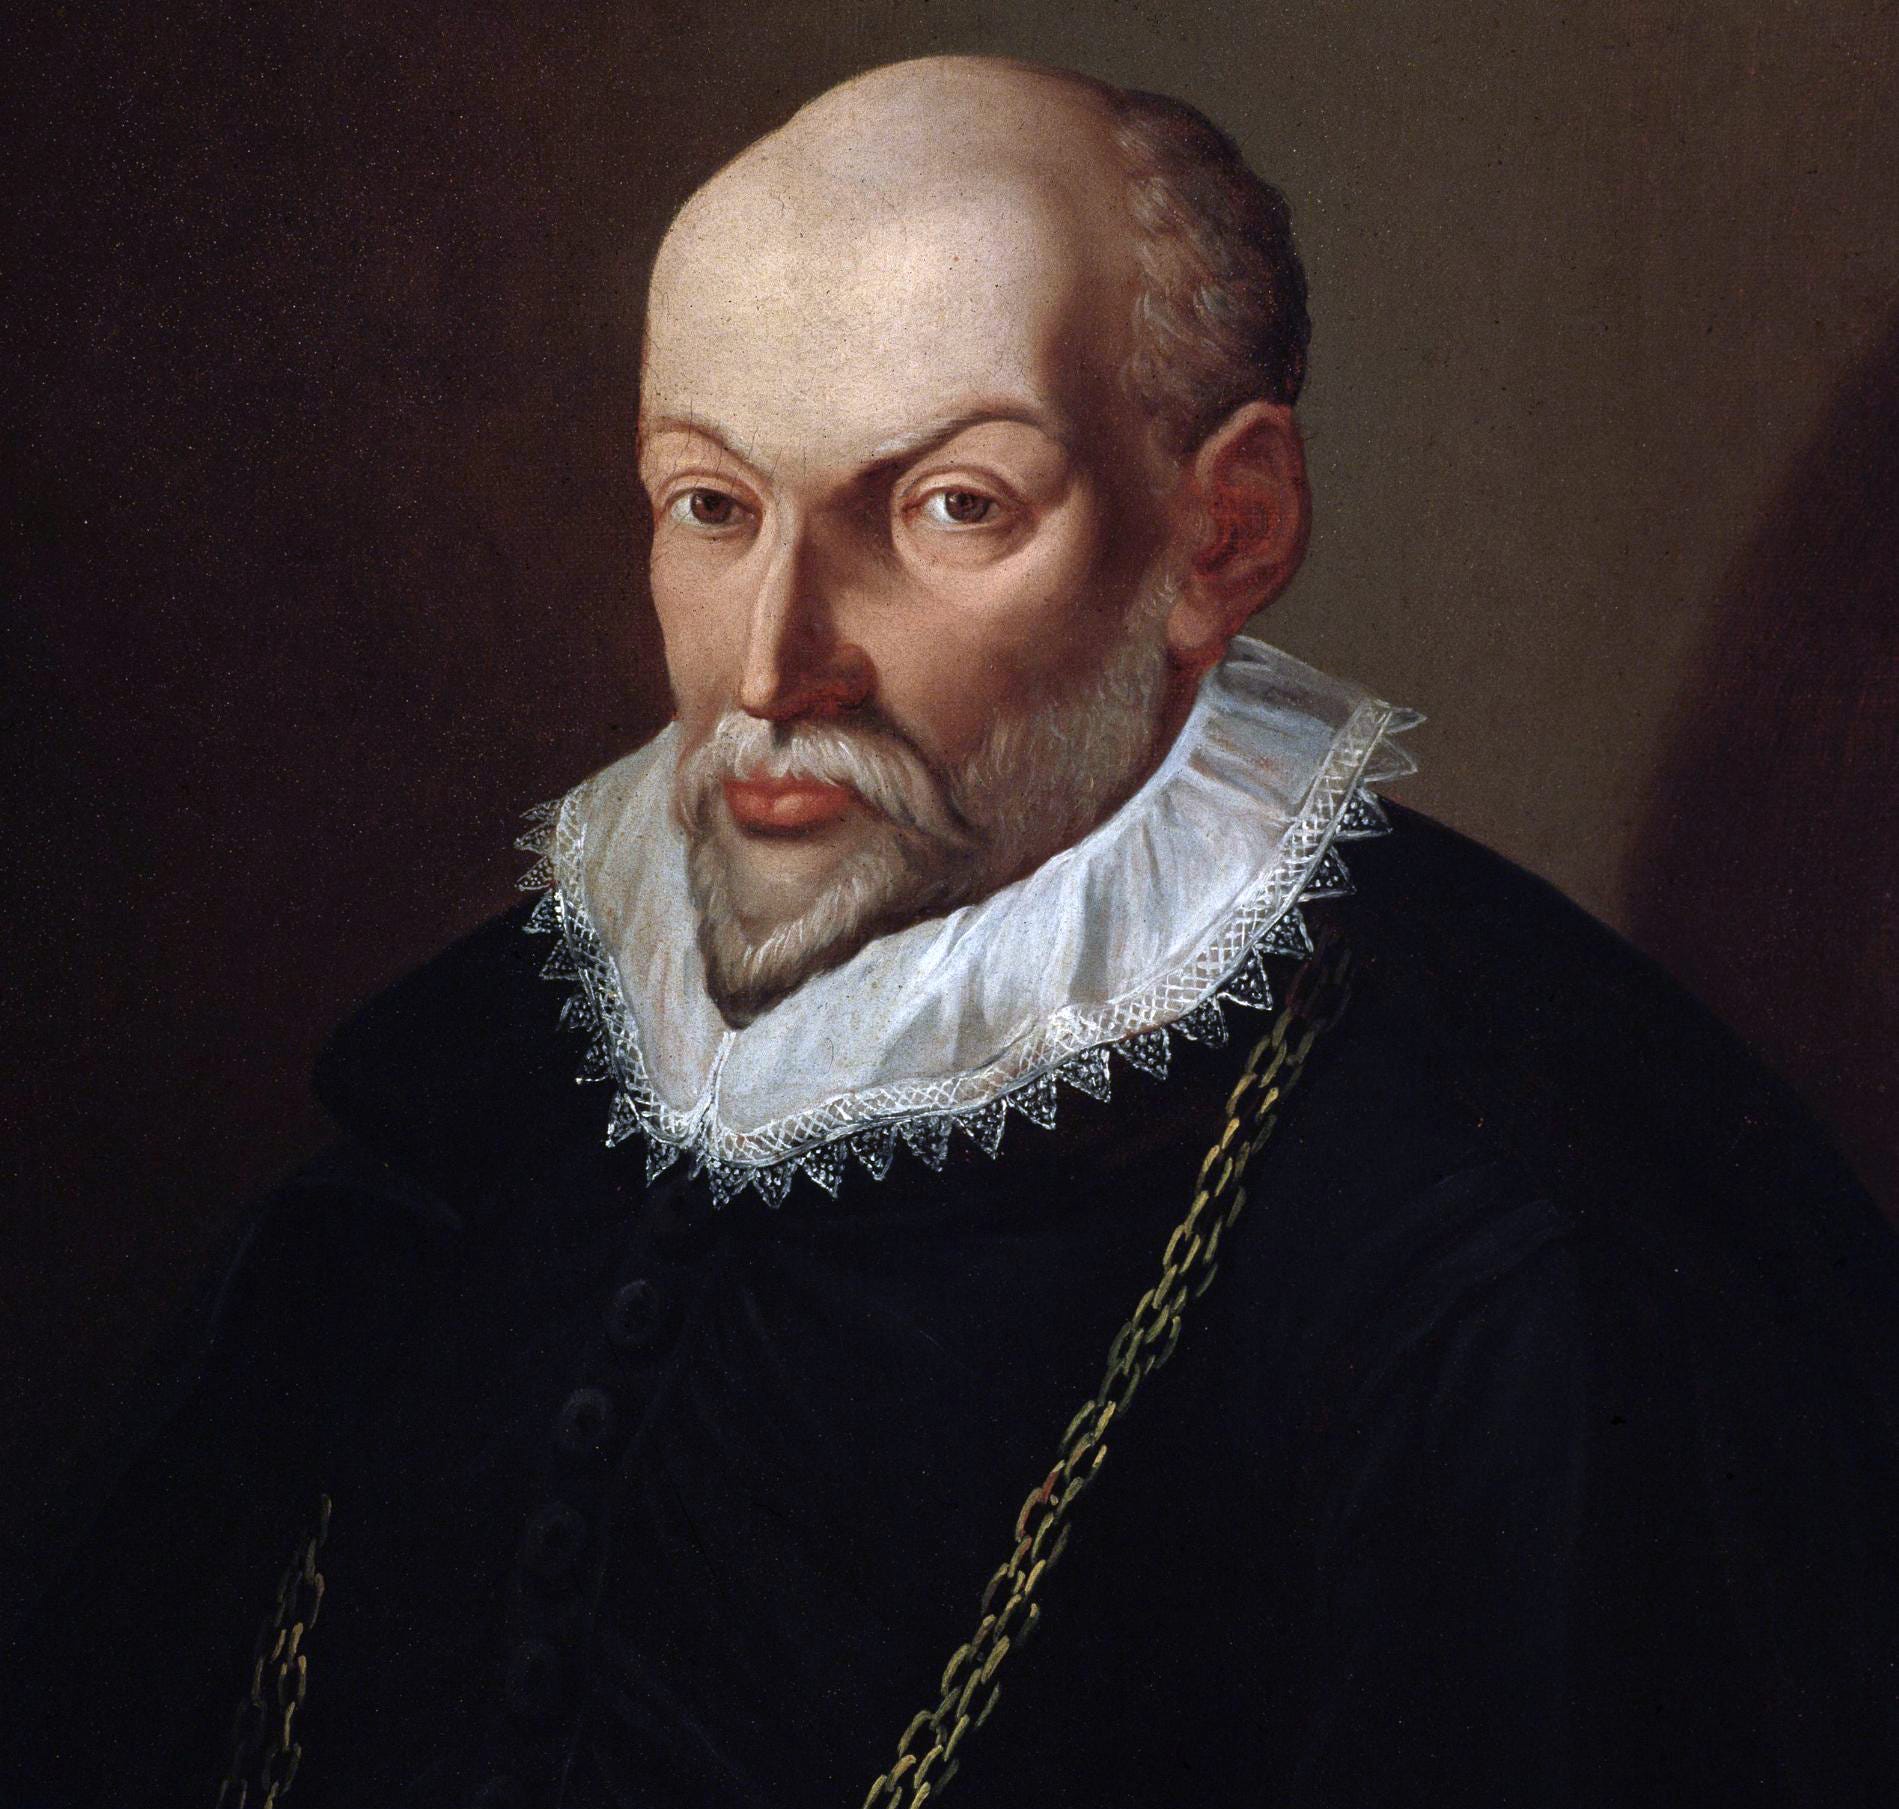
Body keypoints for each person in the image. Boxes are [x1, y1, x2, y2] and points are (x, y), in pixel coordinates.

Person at [4, 54, 1896, 1809]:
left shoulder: (1500, 1214)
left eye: (946, 506)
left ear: (1223, 536)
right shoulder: (471, 1081)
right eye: (710, 503)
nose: (775, 665)